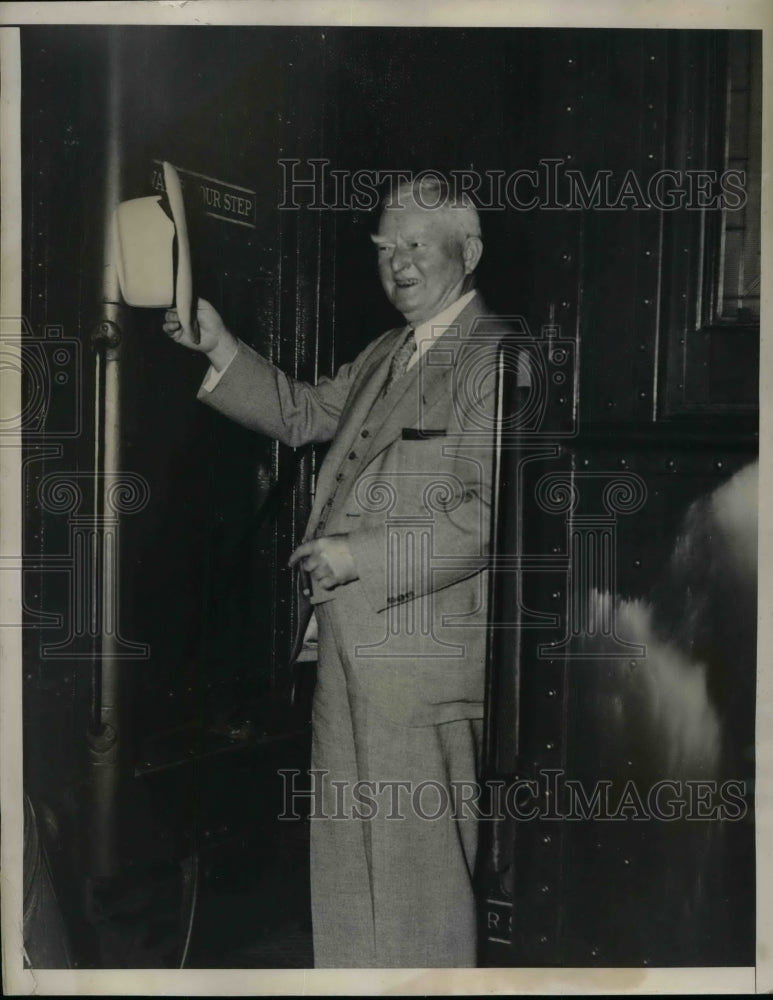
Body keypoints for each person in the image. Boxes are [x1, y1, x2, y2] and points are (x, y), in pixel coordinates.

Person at [163, 176, 527, 968]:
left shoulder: (496, 356)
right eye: (384, 249)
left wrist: (354, 556)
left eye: (414, 244)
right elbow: (300, 413)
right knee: (347, 868)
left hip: (420, 669)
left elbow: (482, 521)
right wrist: (219, 345)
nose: (395, 263)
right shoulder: (385, 352)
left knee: (419, 880)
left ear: (467, 251)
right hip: (343, 648)